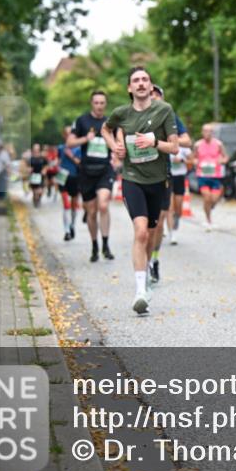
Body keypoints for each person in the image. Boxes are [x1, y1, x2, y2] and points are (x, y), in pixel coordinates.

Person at [101, 67, 179, 315]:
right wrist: (115, 146)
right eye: (136, 80)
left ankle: (145, 274)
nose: (141, 83)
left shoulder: (164, 110)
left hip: (158, 181)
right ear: (129, 88)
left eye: (145, 79)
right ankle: (140, 291)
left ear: (150, 85)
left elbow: (175, 148)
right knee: (141, 232)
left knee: (152, 232)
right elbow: (106, 128)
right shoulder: (120, 113)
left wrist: (154, 142)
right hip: (132, 179)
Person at [148, 84, 192, 283]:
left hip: (163, 174)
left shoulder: (170, 117)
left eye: (157, 94)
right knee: (142, 228)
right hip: (138, 175)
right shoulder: (133, 115)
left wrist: (167, 140)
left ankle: (154, 260)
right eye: (151, 94)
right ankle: (143, 266)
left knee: (157, 225)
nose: (154, 97)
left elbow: (187, 141)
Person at [67, 91, 116, 262]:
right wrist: (85, 139)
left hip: (104, 170)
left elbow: (118, 144)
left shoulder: (111, 123)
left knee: (103, 205)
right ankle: (94, 246)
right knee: (91, 211)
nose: (99, 106)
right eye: (96, 102)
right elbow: (70, 143)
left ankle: (106, 244)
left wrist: (117, 157)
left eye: (102, 103)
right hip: (86, 172)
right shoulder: (82, 121)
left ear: (106, 104)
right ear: (91, 104)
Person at [193, 123, 227, 232]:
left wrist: (221, 161)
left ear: (212, 133)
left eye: (209, 131)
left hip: (215, 176)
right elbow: (193, 158)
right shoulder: (197, 145)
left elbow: (226, 157)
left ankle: (210, 208)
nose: (207, 133)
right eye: (205, 131)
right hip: (202, 175)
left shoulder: (219, 144)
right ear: (202, 132)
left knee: (213, 199)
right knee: (207, 197)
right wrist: (195, 162)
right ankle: (208, 220)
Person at [58, 127, 82, 241]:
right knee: (65, 204)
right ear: (64, 136)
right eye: (66, 134)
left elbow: (80, 163)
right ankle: (66, 231)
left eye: (70, 134)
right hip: (62, 176)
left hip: (74, 177)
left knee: (73, 204)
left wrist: (70, 156)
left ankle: (72, 225)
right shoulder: (60, 148)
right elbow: (59, 162)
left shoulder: (78, 149)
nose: (68, 136)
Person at [26, 143, 47, 208]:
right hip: (33, 176)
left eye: (37, 149)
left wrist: (44, 170)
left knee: (40, 191)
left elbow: (46, 165)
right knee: (35, 192)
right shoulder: (30, 159)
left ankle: (39, 198)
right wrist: (29, 169)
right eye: (35, 149)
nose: (36, 150)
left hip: (41, 176)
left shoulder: (43, 158)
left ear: (39, 149)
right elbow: (27, 167)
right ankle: (35, 201)